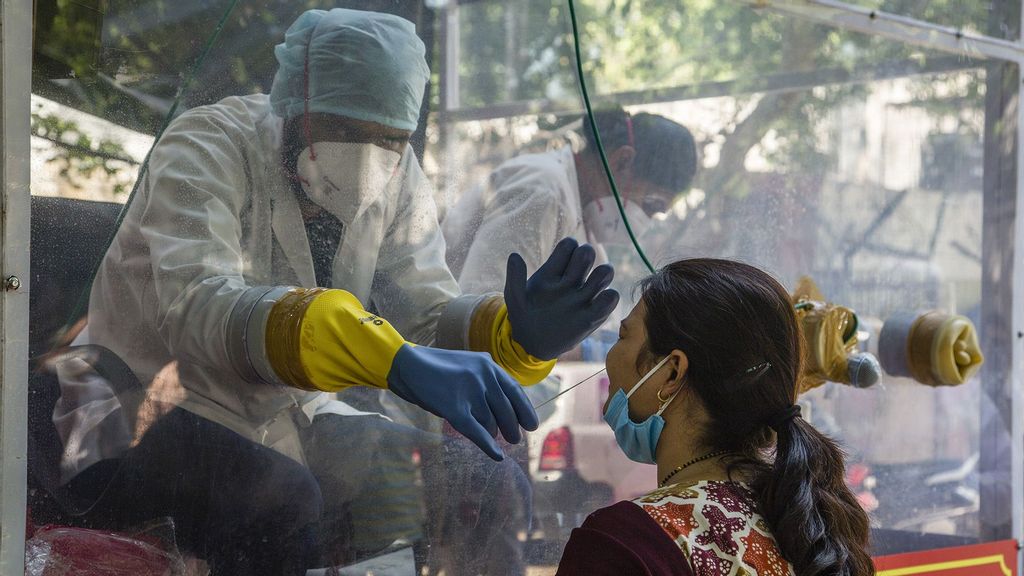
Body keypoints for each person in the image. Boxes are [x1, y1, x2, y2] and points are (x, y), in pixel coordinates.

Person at [50, 8, 619, 576]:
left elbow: (424, 314)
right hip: (145, 405)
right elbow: (198, 306)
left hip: (287, 412)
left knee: (493, 483)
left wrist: (510, 337)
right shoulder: (207, 144)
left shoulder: (399, 175)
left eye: (391, 140)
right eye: (347, 131)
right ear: (295, 104)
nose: (371, 159)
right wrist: (387, 359)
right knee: (282, 500)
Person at [556, 259, 874, 575]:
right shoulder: (806, 528)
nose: (610, 356)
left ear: (672, 372)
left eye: (623, 336)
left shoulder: (621, 544)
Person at [443, 108, 698, 295]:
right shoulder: (543, 191)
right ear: (622, 161)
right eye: (652, 206)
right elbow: (483, 307)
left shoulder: (581, 219)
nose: (646, 221)